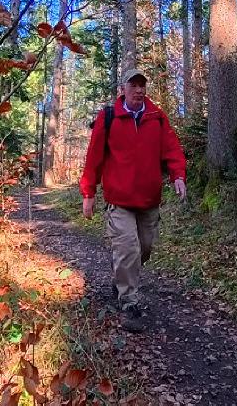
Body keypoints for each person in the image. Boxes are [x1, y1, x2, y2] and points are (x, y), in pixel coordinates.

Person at [80, 67, 186, 333]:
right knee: (128, 249)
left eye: (142, 85)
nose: (139, 90)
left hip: (149, 200)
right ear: (123, 89)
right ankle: (129, 303)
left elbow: (172, 149)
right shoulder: (109, 117)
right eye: (133, 85)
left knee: (144, 249)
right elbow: (94, 158)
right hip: (119, 201)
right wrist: (88, 193)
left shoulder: (156, 117)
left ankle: (121, 276)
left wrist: (178, 175)